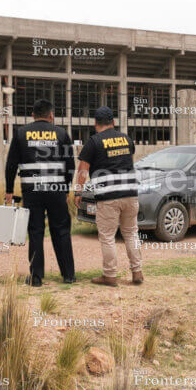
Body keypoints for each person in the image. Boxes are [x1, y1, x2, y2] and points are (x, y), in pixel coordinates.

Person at [5, 99, 76, 287]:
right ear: (51, 115)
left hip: (32, 191)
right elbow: (70, 165)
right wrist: (66, 188)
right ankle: (68, 275)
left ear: (33, 115)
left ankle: (36, 277)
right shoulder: (61, 133)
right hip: (56, 190)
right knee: (61, 231)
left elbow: (11, 164)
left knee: (35, 231)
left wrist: (9, 190)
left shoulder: (21, 133)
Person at [74, 106, 143, 287]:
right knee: (130, 233)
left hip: (108, 197)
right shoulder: (127, 139)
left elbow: (83, 170)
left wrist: (78, 191)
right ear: (113, 122)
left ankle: (110, 275)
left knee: (107, 236)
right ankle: (137, 272)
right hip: (130, 194)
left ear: (95, 124)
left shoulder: (94, 142)